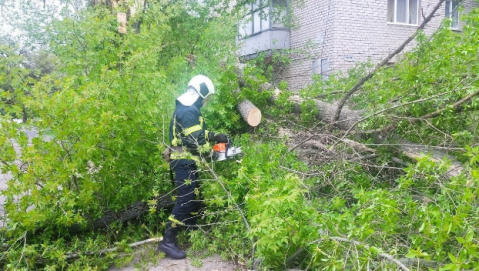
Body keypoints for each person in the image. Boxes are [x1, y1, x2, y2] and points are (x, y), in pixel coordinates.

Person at [158, 75, 229, 259]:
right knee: (186, 199)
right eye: (207, 97)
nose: (206, 101)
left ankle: (191, 227)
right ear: (201, 92)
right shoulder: (189, 110)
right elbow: (195, 141)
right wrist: (214, 154)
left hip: (188, 160)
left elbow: (197, 132)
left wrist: (215, 136)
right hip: (183, 162)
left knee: (195, 195)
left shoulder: (188, 108)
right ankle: (168, 240)